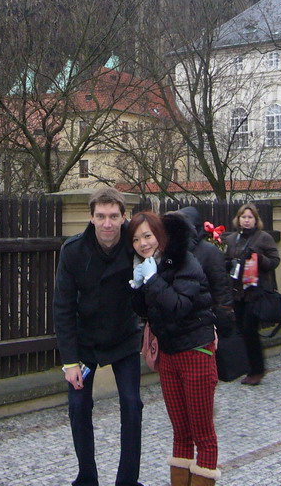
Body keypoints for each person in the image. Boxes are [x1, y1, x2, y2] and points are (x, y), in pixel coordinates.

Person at [53, 187, 143, 486]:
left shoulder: (136, 243)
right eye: (101, 216)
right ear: (91, 218)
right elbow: (63, 306)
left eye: (113, 216)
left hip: (124, 337)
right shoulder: (74, 250)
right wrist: (69, 361)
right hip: (85, 342)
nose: (107, 223)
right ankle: (86, 476)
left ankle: (127, 480)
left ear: (123, 217)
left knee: (132, 404)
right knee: (79, 406)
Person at [130, 211, 220, 486]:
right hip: (169, 354)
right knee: (180, 432)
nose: (143, 243)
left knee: (202, 434)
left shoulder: (185, 262)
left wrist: (153, 280)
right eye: (135, 239)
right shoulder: (149, 264)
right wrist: (137, 287)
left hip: (196, 351)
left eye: (148, 235)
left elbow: (179, 307)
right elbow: (147, 311)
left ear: (161, 234)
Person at [223, 202, 280, 385]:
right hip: (237, 291)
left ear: (256, 220)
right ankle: (248, 366)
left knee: (250, 330)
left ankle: (257, 369)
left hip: (256, 291)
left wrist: (259, 258)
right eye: (243, 217)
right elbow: (226, 260)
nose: (246, 221)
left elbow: (274, 261)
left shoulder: (263, 238)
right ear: (238, 219)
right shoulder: (232, 239)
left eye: (250, 217)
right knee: (241, 330)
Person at [174, 206, 237, 340]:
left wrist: (223, 314)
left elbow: (221, 286)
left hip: (206, 319)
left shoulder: (210, 252)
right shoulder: (175, 250)